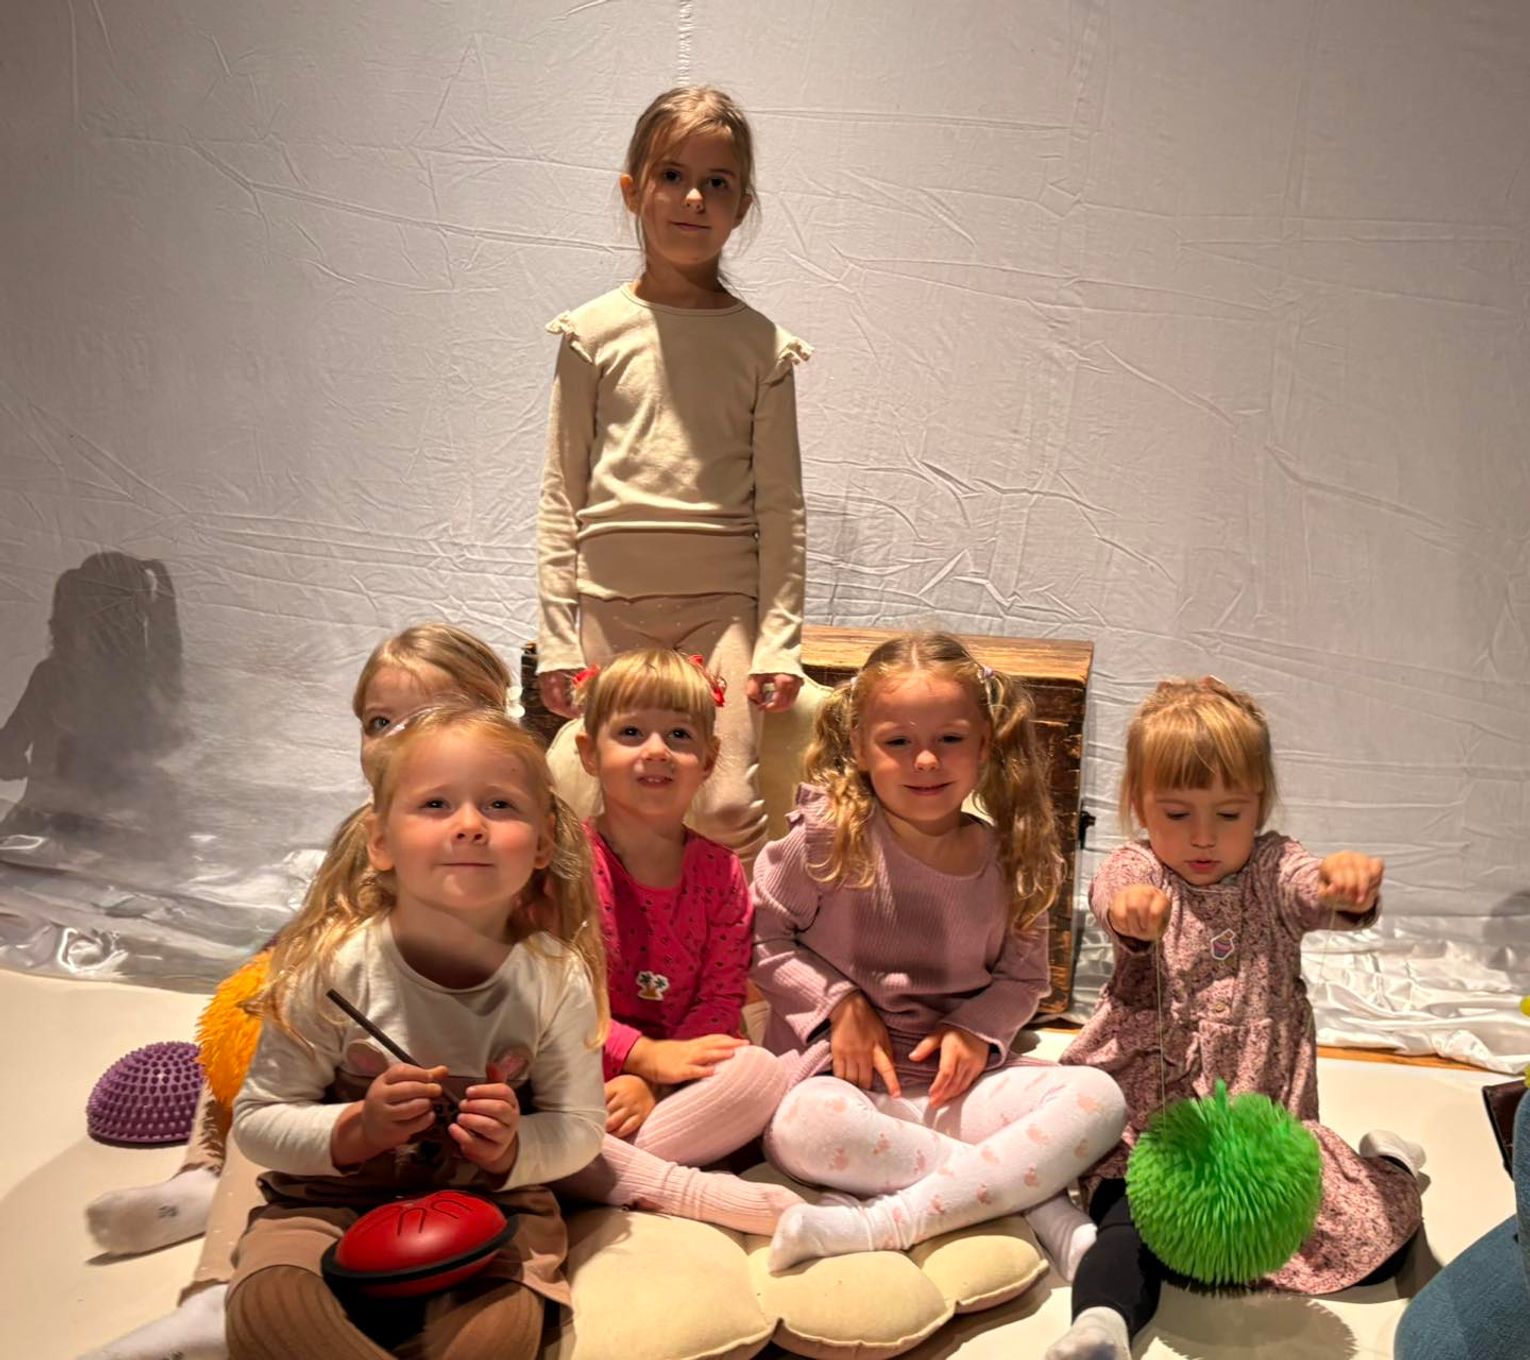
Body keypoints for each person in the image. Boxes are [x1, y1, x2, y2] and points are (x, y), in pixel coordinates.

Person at [83, 624, 515, 1360]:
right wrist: (284, 964)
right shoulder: (366, 830)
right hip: (346, 1030)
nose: (391, 742)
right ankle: (204, 1183)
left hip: (428, 1052)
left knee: (293, 1074)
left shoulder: (500, 827)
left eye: (420, 721)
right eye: (377, 723)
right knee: (255, 1013)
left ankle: (223, 1282)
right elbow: (325, 922)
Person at [1047, 677, 1425, 1360]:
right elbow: (1114, 893)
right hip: (1154, 1124)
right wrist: (1130, 913)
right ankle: (1099, 1327)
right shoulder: (1140, 868)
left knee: (1374, 1250)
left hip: (1260, 1129)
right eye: (1176, 813)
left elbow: (1309, 887)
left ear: (1260, 804)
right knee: (1128, 1226)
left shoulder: (1273, 866)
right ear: (1138, 804)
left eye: (1229, 813)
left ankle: (1390, 1160)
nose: (1203, 836)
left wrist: (1341, 886)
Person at [225, 702, 607, 1360]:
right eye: (435, 805)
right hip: (323, 1198)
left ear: (543, 842)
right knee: (268, 1305)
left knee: (501, 1334)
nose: (469, 826)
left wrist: (512, 1147)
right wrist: (358, 1128)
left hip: (496, 1205)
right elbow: (258, 1120)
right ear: (380, 841)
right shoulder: (330, 967)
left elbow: (580, 1127)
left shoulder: (555, 977)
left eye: (500, 805)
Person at [750, 632, 1126, 1277]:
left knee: (1099, 1098)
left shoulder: (1017, 857)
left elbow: (1023, 978)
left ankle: (881, 1222)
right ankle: (1035, 1206)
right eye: (897, 741)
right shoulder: (825, 838)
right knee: (800, 1128)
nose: (925, 760)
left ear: (985, 745)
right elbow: (761, 937)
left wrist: (976, 1030)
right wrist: (838, 1004)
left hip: (961, 1091)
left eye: (950, 738)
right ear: (860, 747)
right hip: (847, 1087)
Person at [535, 84, 811, 868]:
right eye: (672, 176)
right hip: (611, 608)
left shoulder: (763, 349)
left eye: (717, 182)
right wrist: (558, 638)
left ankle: (731, 937)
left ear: (741, 205)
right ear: (634, 192)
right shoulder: (591, 335)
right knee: (608, 801)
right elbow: (561, 493)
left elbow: (783, 509)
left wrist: (779, 644)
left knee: (722, 804)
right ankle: (610, 938)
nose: (694, 198)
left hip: (720, 613)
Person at [554, 648, 797, 1233]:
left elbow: (720, 999)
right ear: (589, 753)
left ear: (708, 759)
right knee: (531, 1100)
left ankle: (605, 1172)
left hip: (677, 1083)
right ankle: (680, 1189)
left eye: (679, 735)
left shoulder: (721, 872)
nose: (657, 750)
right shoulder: (565, 865)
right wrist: (635, 1058)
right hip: (584, 1071)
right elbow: (556, 1000)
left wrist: (657, 1080)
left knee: (760, 1071)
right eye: (631, 732)